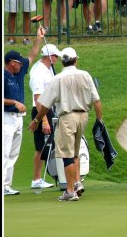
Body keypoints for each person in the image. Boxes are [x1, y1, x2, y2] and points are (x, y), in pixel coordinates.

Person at [28, 47, 103, 202]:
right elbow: (97, 101)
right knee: (75, 152)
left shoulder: (57, 79)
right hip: (83, 116)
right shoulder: (85, 75)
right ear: (76, 60)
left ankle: (70, 191)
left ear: (62, 61)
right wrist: (99, 120)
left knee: (66, 155)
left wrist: (36, 120)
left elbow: (45, 105)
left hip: (67, 117)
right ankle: (76, 183)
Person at [3, 26, 44, 195]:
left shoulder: (18, 73)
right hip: (6, 117)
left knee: (13, 154)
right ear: (12, 63)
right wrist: (14, 102)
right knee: (4, 153)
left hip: (18, 119)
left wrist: (38, 39)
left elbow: (32, 56)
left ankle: (6, 185)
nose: (21, 63)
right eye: (18, 62)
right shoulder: (3, 75)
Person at [29, 43, 62, 190]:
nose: (57, 58)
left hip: (49, 109)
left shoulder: (48, 68)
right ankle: (36, 179)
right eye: (55, 56)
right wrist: (44, 121)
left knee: (47, 145)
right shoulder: (39, 72)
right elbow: (38, 98)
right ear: (50, 56)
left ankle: (49, 176)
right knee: (40, 147)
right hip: (40, 111)